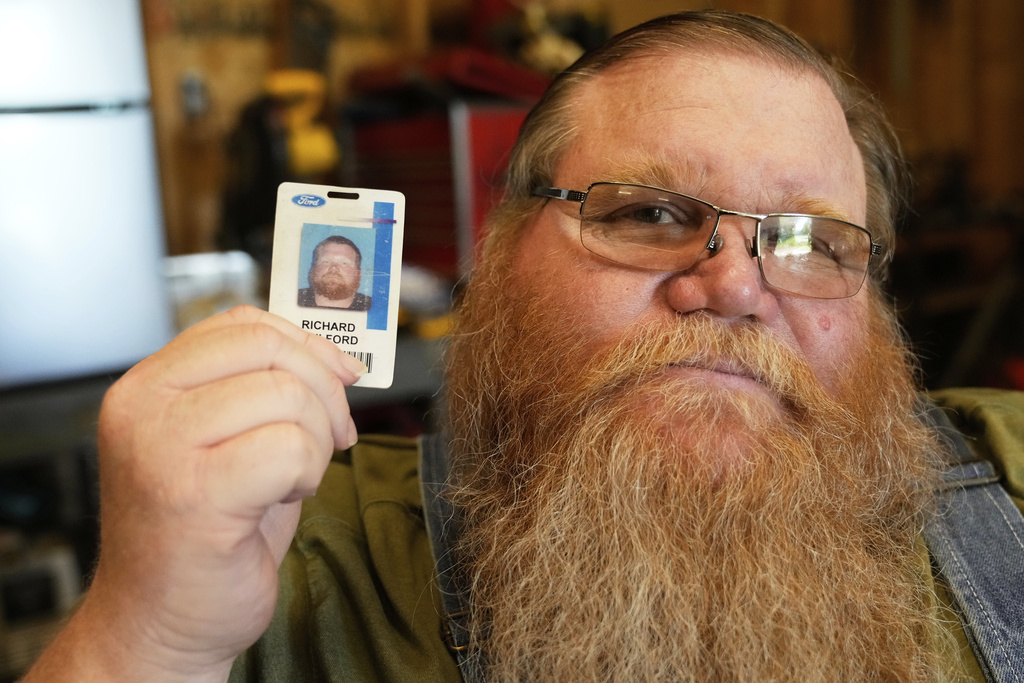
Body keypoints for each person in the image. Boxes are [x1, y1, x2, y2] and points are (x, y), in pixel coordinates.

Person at [24, 9, 1024, 683]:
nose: (733, 285)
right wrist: (141, 635)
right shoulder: (281, 551)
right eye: (646, 210)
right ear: (499, 253)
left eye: (810, 240)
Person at [298, 235, 372, 310]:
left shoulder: (373, 307)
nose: (333, 268)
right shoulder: (292, 298)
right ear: (313, 268)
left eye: (344, 263)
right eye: (326, 261)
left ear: (358, 273)